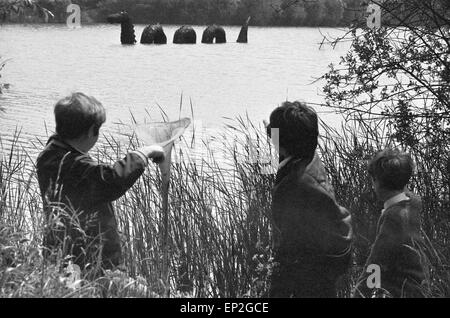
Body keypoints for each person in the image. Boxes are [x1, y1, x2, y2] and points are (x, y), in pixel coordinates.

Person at [36, 92, 165, 273]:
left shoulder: (48, 156)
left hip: (59, 249)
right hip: (91, 258)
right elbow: (112, 179)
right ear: (91, 131)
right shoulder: (77, 166)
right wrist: (143, 153)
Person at [266, 101, 353, 298]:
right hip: (324, 260)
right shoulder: (307, 158)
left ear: (284, 141)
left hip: (314, 268)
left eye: (274, 133)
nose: (270, 136)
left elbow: (292, 245)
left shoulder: (296, 185)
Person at [354, 149, 427, 298]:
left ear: (377, 182)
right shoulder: (411, 204)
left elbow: (377, 262)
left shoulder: (394, 216)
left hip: (400, 291)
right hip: (416, 286)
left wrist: (359, 293)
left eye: (373, 181)